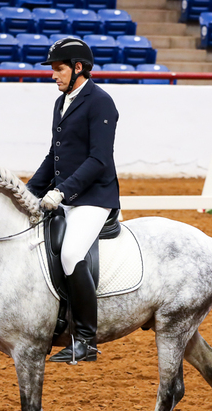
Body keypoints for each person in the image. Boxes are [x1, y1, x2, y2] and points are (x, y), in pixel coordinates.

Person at [27, 37, 121, 364]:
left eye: (59, 69)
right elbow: (54, 154)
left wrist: (62, 191)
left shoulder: (101, 103)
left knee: (70, 254)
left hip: (95, 197)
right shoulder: (61, 102)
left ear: (78, 68)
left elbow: (98, 160)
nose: (53, 75)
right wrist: (26, 192)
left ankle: (85, 339)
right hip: (65, 193)